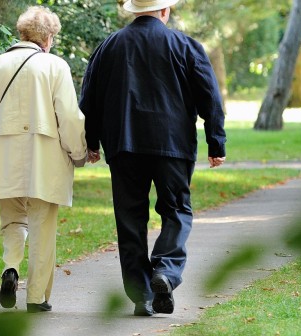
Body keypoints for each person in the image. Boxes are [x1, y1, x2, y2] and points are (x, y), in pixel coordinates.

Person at [80, 0, 227, 316]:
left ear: (134, 10)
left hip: (123, 144)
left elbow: (89, 99)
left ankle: (142, 295)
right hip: (172, 144)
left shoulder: (109, 47)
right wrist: (216, 142)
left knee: (130, 218)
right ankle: (166, 269)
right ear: (165, 11)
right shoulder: (185, 45)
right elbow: (210, 97)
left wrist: (91, 142)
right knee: (176, 210)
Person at [0, 6, 87, 313]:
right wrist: (79, 153)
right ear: (48, 37)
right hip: (46, 158)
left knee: (13, 220)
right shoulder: (55, 66)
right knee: (43, 226)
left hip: (4, 155)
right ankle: (36, 297)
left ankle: (10, 269)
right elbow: (69, 117)